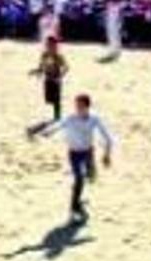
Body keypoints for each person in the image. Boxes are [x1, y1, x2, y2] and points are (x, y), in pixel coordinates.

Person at [38, 94, 115, 223]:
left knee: (90, 176)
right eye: (76, 105)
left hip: (88, 152)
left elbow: (108, 137)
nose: (77, 108)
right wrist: (46, 132)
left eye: (80, 106)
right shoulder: (70, 118)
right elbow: (58, 125)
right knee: (79, 179)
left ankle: (90, 174)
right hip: (74, 154)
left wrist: (107, 154)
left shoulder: (94, 119)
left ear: (87, 107)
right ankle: (74, 208)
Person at [30, 36, 69, 122]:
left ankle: (57, 117)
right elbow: (41, 67)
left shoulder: (58, 56)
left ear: (56, 46)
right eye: (48, 45)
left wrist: (61, 76)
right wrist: (36, 71)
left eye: (52, 45)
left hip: (56, 80)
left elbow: (66, 67)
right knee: (48, 99)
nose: (50, 47)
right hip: (47, 79)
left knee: (57, 99)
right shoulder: (44, 55)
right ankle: (55, 113)